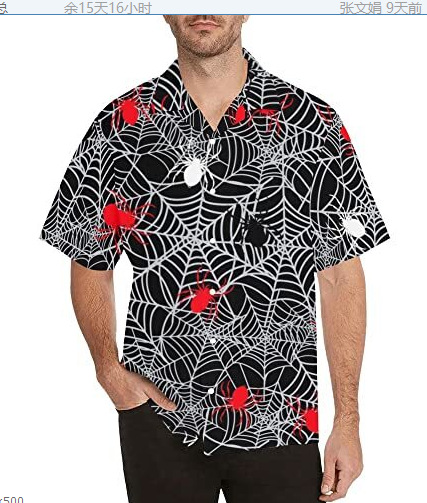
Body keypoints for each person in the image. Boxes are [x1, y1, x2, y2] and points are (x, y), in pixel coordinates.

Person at [39, 14, 390, 503]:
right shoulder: (121, 125)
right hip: (158, 414)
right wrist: (109, 373)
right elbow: (87, 256)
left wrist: (347, 420)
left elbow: (340, 276)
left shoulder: (312, 122)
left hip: (282, 411)